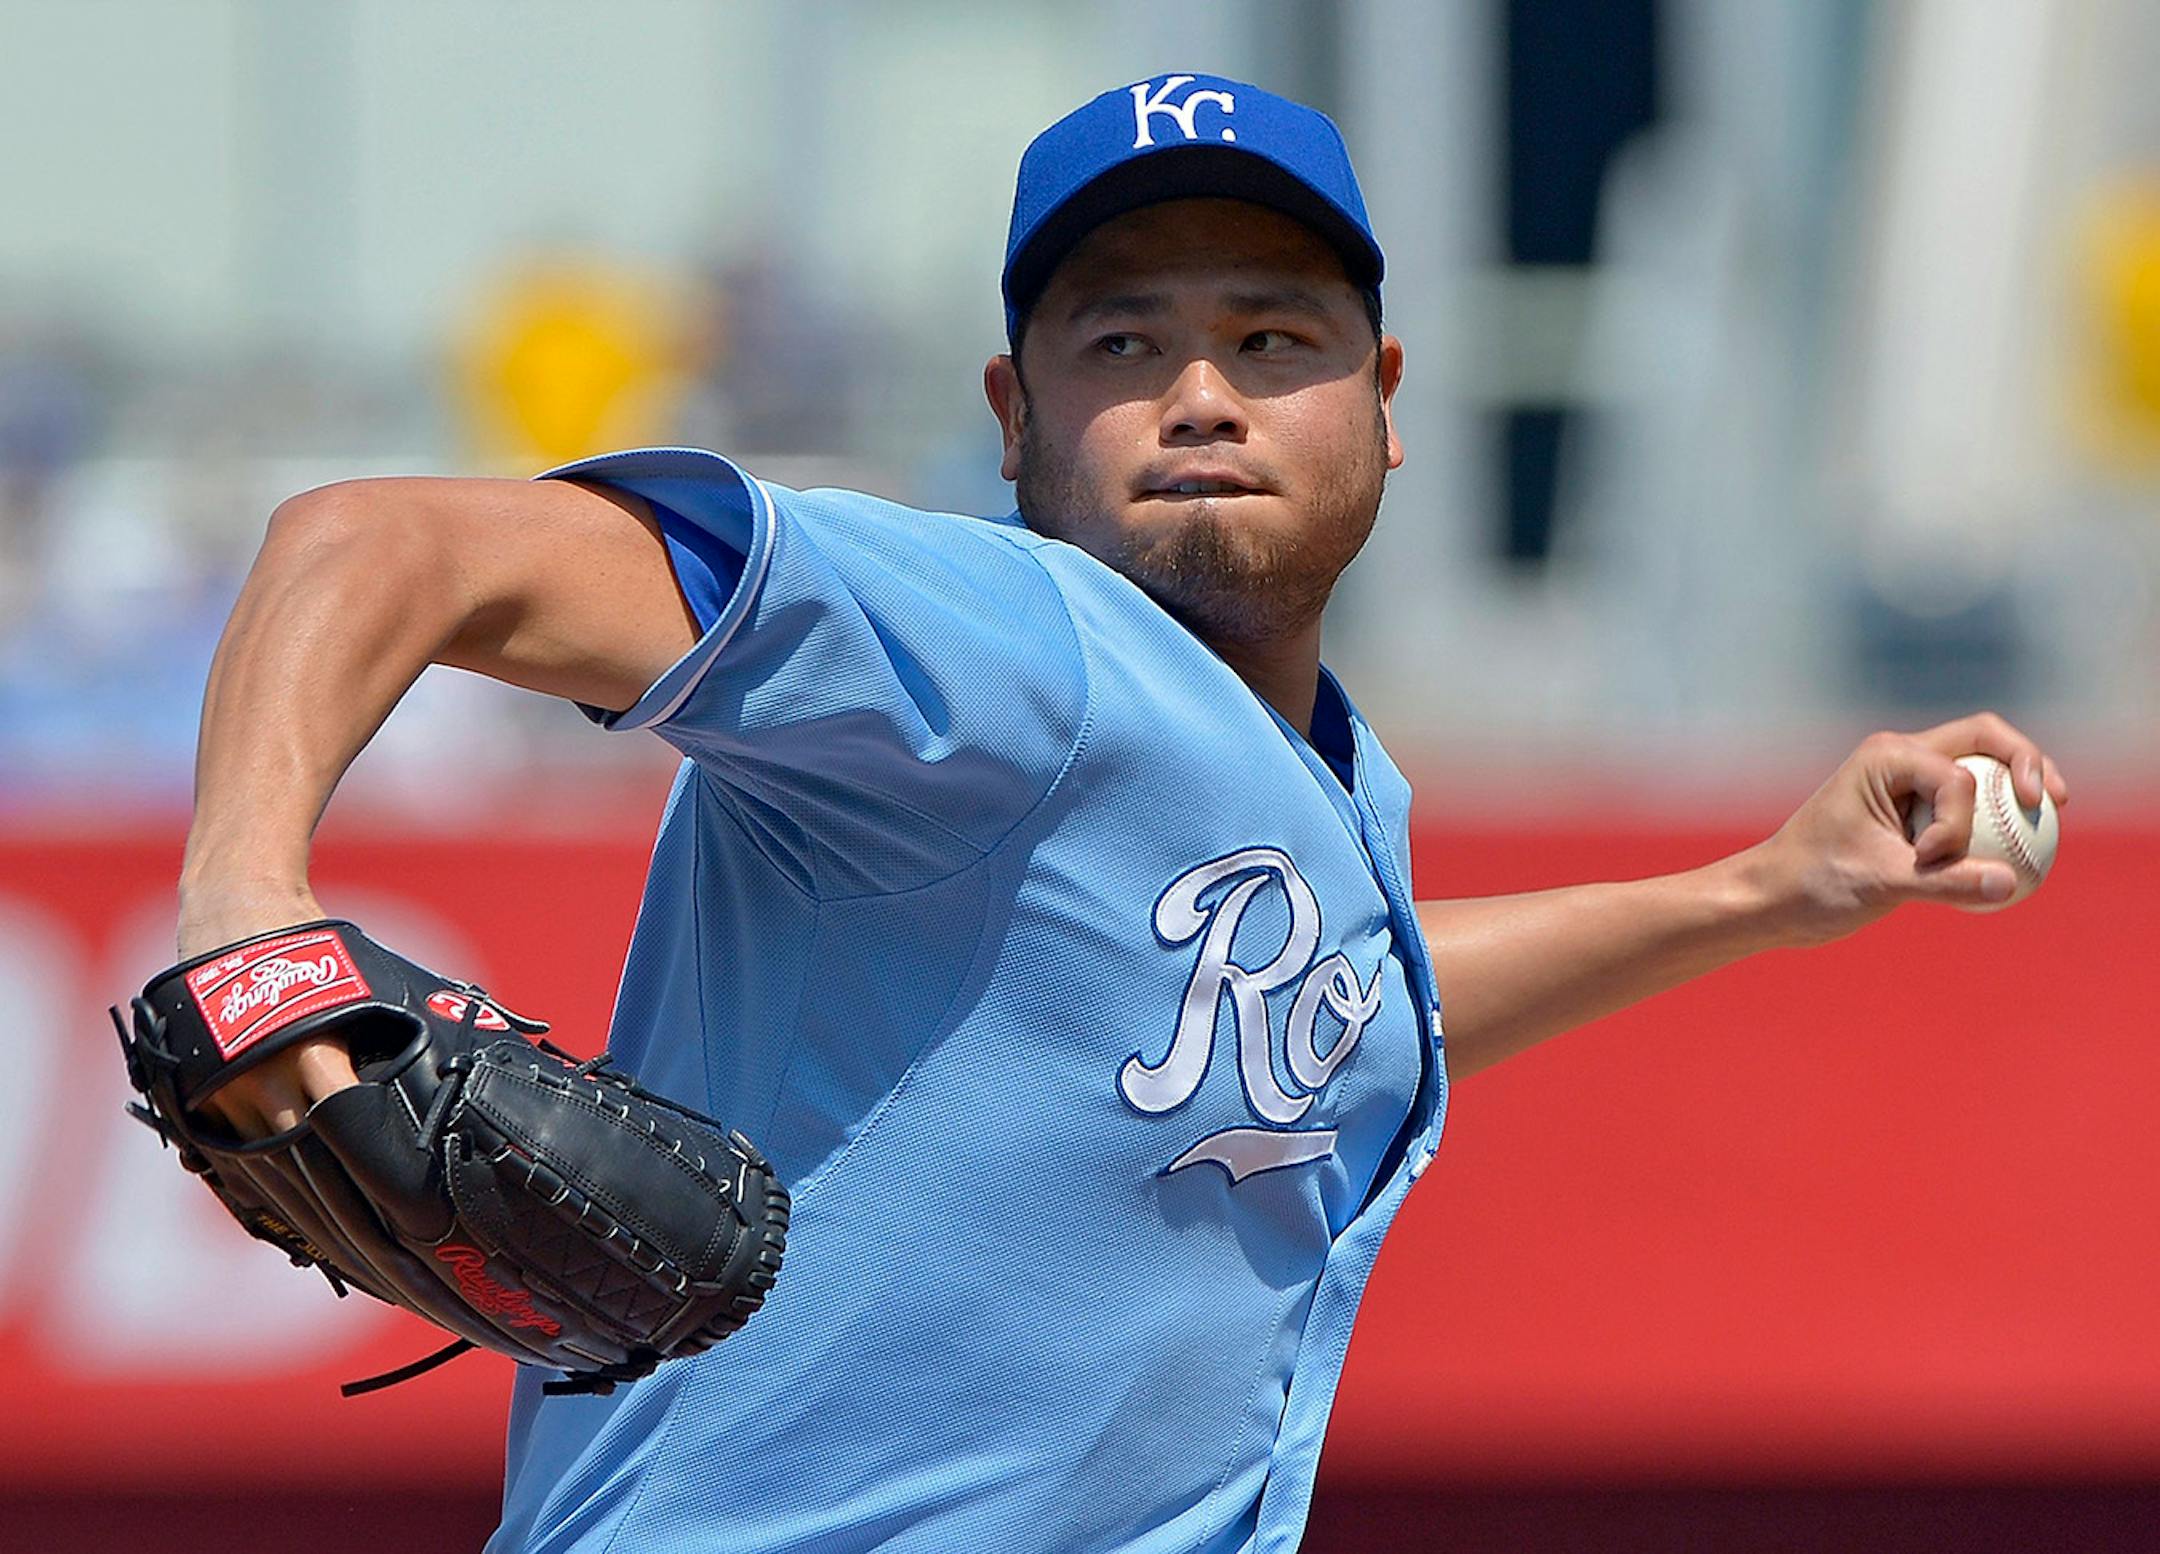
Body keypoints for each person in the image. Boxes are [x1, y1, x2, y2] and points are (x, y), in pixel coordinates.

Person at [178, 74, 2067, 1554]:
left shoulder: (1321, 778)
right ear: (1011, 416)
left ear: (1385, 398)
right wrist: (244, 919)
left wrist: (1756, 886)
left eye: (1271, 337)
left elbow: (1339, 1012)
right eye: (1120, 342)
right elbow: (374, 542)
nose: (1198, 393)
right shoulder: (1005, 641)